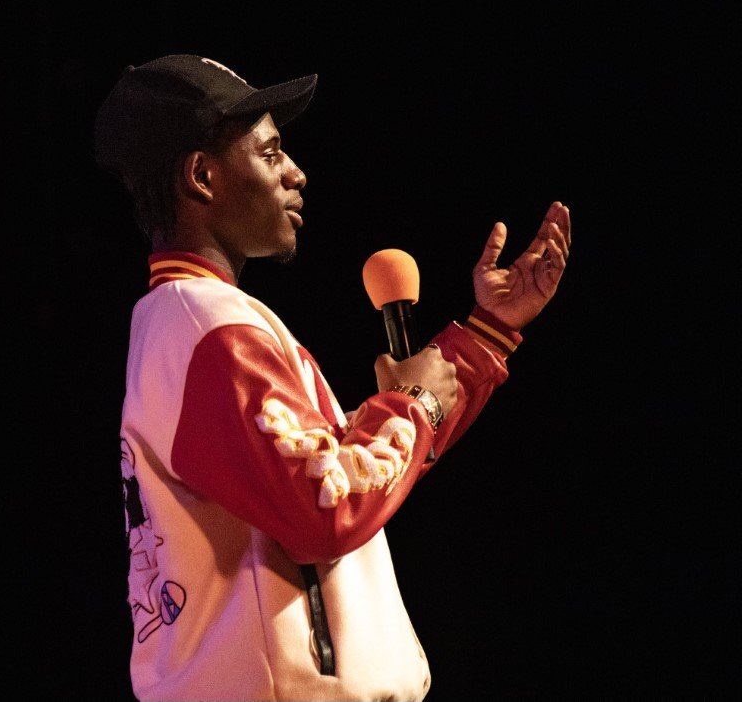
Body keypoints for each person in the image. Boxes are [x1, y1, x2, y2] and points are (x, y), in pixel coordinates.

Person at [93, 54, 571, 702]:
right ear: (202, 176)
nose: (296, 172)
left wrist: (483, 337)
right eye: (269, 153)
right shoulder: (208, 327)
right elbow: (325, 507)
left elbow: (342, 469)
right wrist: (413, 402)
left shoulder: (189, 324)